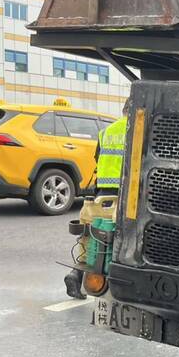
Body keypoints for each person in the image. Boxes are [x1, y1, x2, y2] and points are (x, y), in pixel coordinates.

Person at [64, 108, 128, 299]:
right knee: (119, 236)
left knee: (92, 235)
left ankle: (75, 274)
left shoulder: (107, 131)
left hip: (103, 189)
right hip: (124, 190)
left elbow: (97, 157)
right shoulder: (137, 129)